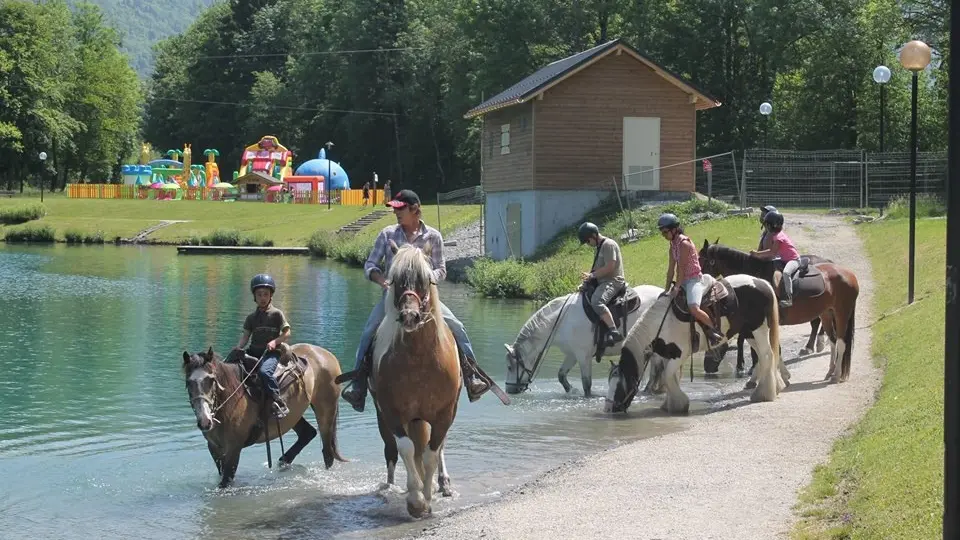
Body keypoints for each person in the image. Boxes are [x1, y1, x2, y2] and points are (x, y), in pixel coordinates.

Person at [340, 189, 491, 412]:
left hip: (427, 300)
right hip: (393, 300)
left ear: (415, 209)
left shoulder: (433, 236)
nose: (396, 213)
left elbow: (441, 270)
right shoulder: (387, 234)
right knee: (368, 331)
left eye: (400, 209)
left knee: (457, 327)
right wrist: (382, 280)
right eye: (394, 209)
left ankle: (471, 378)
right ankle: (359, 385)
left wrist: (427, 279)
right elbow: (370, 265)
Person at [658, 213, 725, 346]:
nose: (664, 235)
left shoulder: (684, 244)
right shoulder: (672, 245)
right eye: (662, 233)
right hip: (683, 280)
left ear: (674, 229)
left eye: (665, 232)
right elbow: (671, 269)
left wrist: (676, 288)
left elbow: (681, 268)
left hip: (694, 280)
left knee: (693, 308)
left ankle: (713, 330)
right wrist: (666, 290)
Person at [233, 274, 291, 418]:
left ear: (271, 295)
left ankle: (278, 401)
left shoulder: (277, 314)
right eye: (259, 295)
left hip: (271, 353)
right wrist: (238, 348)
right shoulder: (251, 318)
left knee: (265, 373)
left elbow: (286, 333)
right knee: (230, 367)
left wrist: (275, 342)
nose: (262, 298)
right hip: (253, 351)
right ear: (255, 297)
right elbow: (245, 336)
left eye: (265, 294)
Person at [577, 222, 627, 344]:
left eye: (588, 241)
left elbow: (610, 266)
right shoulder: (598, 248)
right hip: (602, 280)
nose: (588, 244)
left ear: (594, 235)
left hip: (613, 281)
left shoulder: (608, 245)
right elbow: (596, 268)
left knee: (596, 301)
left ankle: (613, 330)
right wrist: (587, 281)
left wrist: (593, 275)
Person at [751, 210, 800, 308]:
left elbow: (772, 253)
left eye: (767, 225)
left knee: (786, 273)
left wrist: (757, 254)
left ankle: (788, 298)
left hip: (793, 260)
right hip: (785, 259)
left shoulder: (778, 238)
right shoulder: (776, 235)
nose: (766, 227)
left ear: (772, 225)